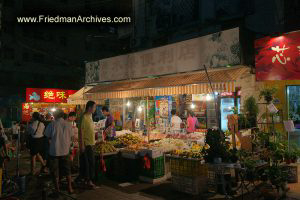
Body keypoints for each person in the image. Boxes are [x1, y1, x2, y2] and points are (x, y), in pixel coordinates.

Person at [45, 109, 74, 194]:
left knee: (55, 171)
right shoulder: (68, 125)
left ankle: (57, 190)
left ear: (55, 115)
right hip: (65, 151)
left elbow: (47, 136)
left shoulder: (52, 124)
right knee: (67, 170)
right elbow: (72, 137)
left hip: (54, 151)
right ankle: (70, 188)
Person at [79, 101, 96, 188]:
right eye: (94, 107)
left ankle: (87, 180)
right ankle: (88, 181)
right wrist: (82, 145)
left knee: (90, 163)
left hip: (91, 143)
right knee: (89, 163)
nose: (95, 109)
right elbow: (81, 131)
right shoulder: (84, 117)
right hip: (86, 144)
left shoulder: (90, 116)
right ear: (89, 108)